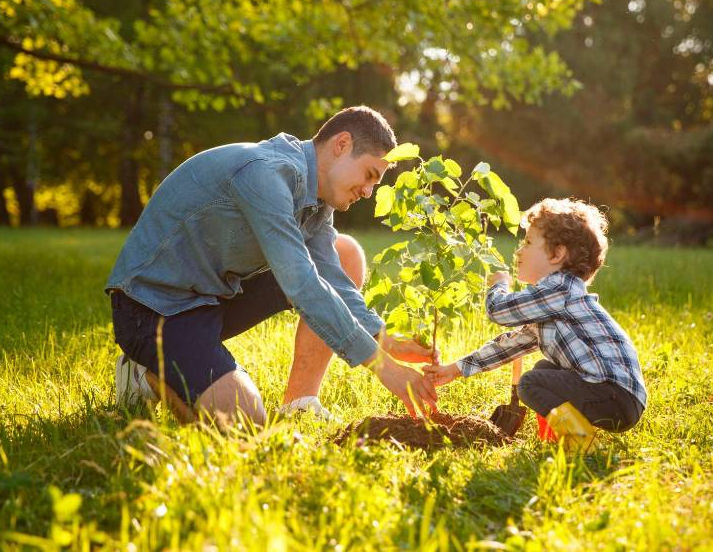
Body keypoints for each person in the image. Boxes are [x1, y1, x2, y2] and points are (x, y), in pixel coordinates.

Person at [106, 106, 438, 426]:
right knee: (245, 422)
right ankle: (146, 373)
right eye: (369, 175)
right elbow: (302, 284)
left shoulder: (317, 201)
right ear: (342, 144)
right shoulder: (266, 173)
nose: (368, 191)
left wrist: (384, 340)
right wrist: (384, 368)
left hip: (210, 297)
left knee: (344, 253)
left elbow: (332, 277)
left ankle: (300, 404)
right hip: (153, 308)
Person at [422, 198, 646, 449]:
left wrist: (499, 285)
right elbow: (510, 345)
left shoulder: (559, 289)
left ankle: (583, 444)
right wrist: (454, 369)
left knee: (530, 383)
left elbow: (498, 311)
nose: (518, 251)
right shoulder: (554, 301)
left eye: (528, 242)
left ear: (557, 254)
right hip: (619, 396)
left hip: (613, 395)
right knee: (543, 369)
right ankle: (557, 438)